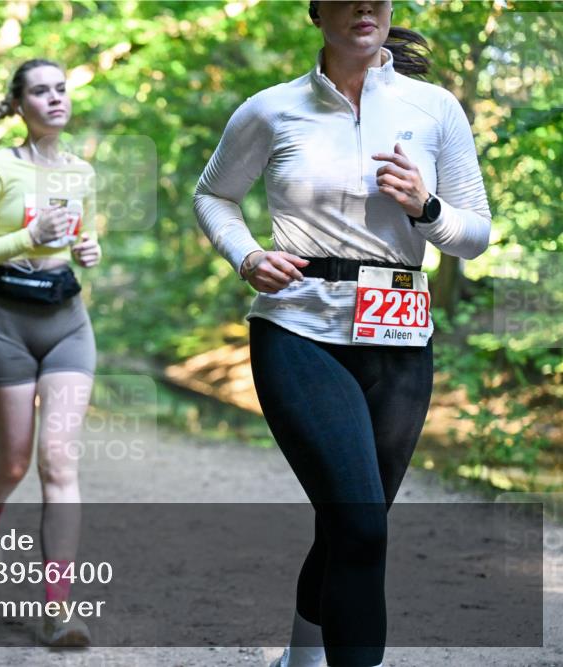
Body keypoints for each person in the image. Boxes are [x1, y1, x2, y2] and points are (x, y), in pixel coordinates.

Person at [193, 3, 490, 666]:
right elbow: (213, 195)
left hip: (401, 338)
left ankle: (300, 659)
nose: (364, 7)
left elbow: (475, 234)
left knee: (352, 526)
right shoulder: (270, 109)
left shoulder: (434, 108)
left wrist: (428, 208)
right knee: (359, 522)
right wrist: (246, 256)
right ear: (316, 10)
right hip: (298, 327)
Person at [0, 58, 102, 647]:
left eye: (61, 88)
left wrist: (88, 248)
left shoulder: (81, 170)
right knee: (12, 464)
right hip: (4, 325)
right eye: (41, 90)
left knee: (58, 463)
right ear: (19, 104)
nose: (56, 98)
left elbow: (77, 235)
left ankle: (58, 610)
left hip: (67, 325)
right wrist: (25, 240)